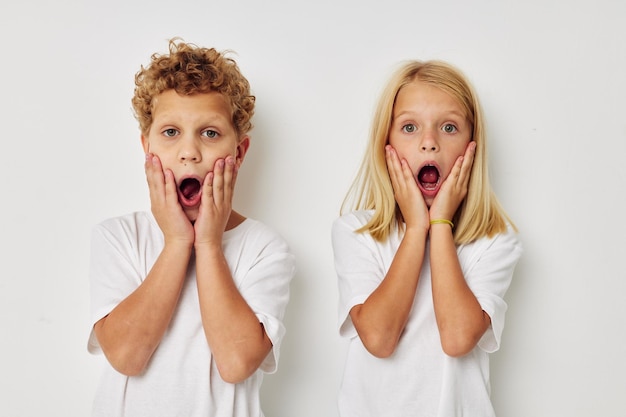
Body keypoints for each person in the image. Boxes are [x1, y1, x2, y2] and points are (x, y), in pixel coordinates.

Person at [87, 38, 295, 417]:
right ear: (146, 147)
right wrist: (178, 241)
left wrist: (210, 245)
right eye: (170, 132)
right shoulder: (118, 237)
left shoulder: (264, 248)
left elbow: (235, 363)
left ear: (240, 152)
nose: (189, 152)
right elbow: (126, 356)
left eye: (210, 133)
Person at [331, 60, 522, 417]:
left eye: (449, 127)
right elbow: (378, 338)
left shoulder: (496, 240)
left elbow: (458, 339)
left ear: (472, 147)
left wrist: (441, 224)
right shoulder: (356, 232)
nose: (429, 143)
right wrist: (417, 228)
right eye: (409, 127)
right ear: (385, 143)